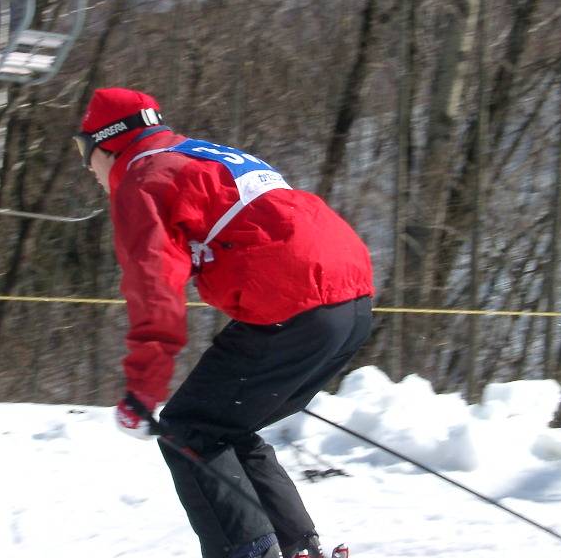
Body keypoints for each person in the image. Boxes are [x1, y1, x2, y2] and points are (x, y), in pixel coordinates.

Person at [75, 87, 374, 558]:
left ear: (109, 142)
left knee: (188, 429)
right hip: (350, 301)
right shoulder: (200, 154)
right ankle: (298, 548)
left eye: (83, 149)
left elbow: (155, 289)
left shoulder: (143, 179)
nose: (86, 166)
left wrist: (143, 389)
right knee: (223, 427)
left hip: (296, 303)